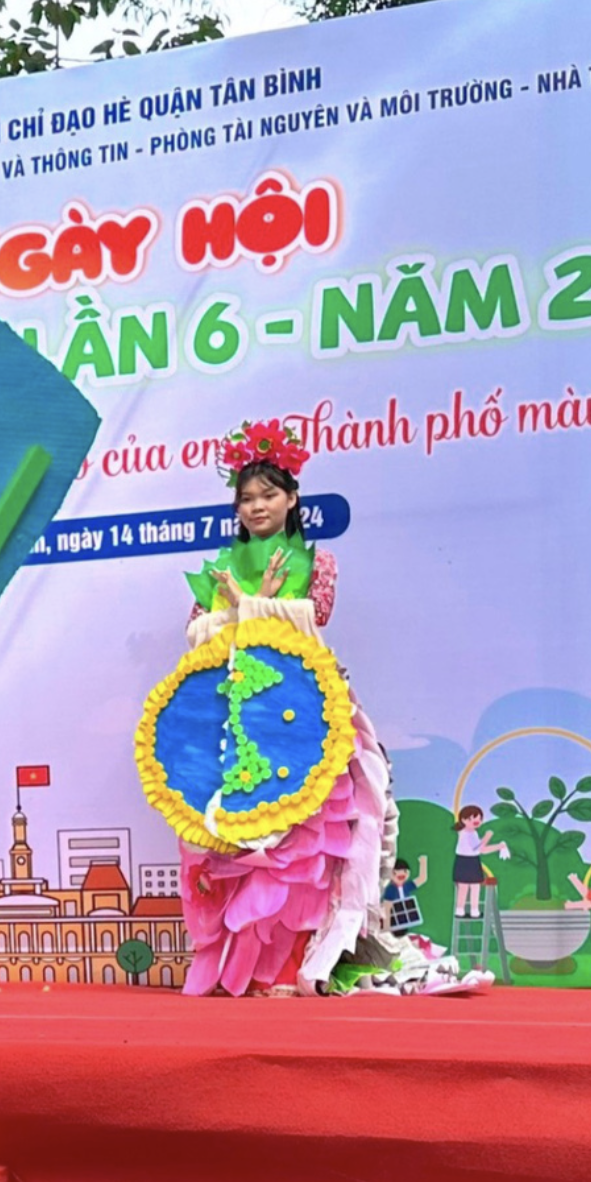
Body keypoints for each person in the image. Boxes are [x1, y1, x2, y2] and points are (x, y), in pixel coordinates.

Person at [167, 420, 483, 995]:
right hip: (240, 712)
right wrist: (238, 606)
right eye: (246, 498)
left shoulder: (318, 564)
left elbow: (316, 621)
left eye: (268, 495)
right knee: (251, 836)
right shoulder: (216, 570)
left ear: (291, 499)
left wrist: (249, 607)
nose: (256, 506)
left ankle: (312, 954)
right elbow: (196, 635)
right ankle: (255, 966)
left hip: (302, 705)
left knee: (318, 829)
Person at [452, 805, 501, 922]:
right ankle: (467, 910)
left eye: (479, 818)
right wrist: (487, 836)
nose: (476, 821)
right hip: (466, 861)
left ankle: (468, 910)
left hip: (469, 861)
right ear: (463, 820)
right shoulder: (466, 833)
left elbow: (482, 850)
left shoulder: (471, 833)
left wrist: (499, 846)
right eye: (471, 819)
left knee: (470, 887)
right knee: (470, 887)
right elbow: (477, 848)